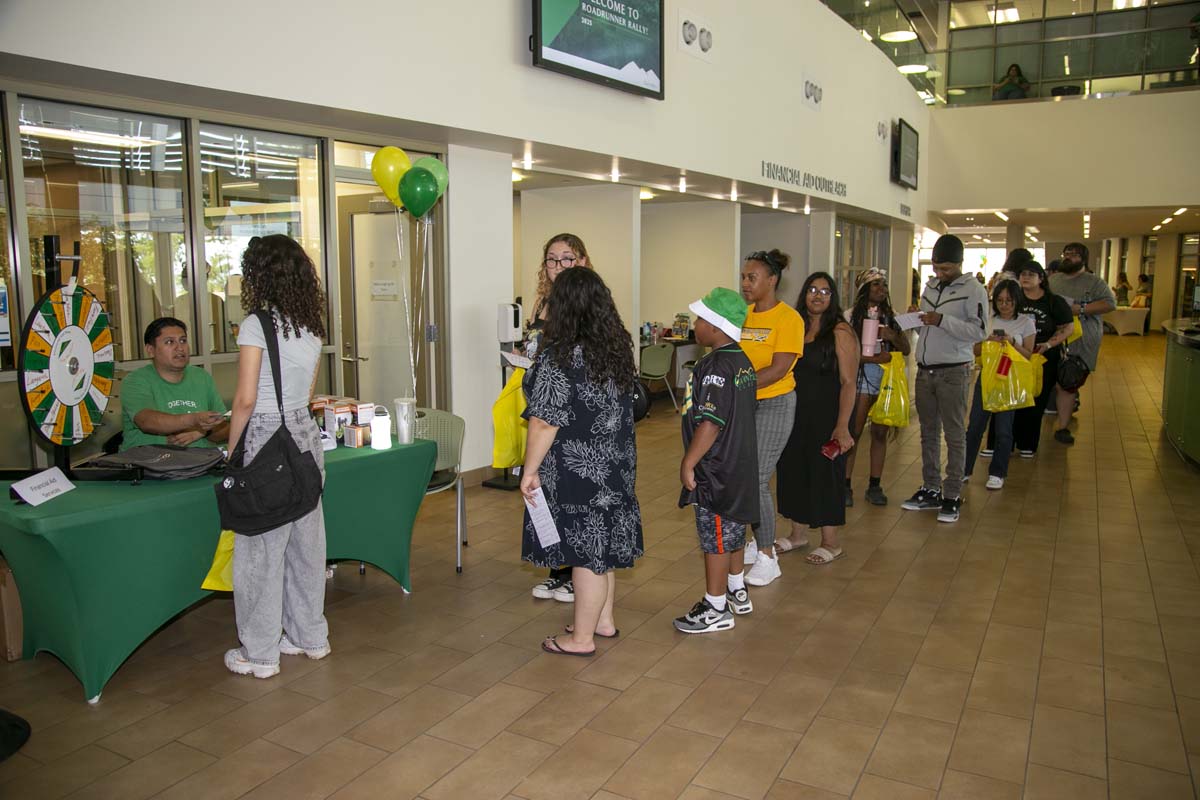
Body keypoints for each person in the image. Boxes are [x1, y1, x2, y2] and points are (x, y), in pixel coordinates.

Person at [520, 267, 643, 657]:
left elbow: (544, 421)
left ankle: (581, 639)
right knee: (601, 547)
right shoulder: (615, 349)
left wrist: (529, 470)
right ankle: (602, 621)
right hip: (615, 466)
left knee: (586, 554)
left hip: (578, 471)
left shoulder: (560, 356)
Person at [223, 235, 330, 679]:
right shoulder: (311, 327)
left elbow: (245, 400)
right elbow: (306, 394)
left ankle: (260, 653)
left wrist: (232, 455)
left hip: (266, 437)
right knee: (307, 545)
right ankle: (310, 637)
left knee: (260, 552)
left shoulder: (256, 325)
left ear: (259, 274)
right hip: (304, 436)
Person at [673, 288, 759, 633]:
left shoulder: (715, 366)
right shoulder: (742, 360)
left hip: (717, 468)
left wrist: (689, 462)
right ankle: (737, 589)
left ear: (716, 326)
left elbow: (711, 422)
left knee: (717, 538)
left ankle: (715, 607)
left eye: (700, 319)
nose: (695, 324)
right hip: (739, 464)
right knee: (733, 530)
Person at [525, 233, 594, 604]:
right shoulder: (542, 302)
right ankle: (558, 569)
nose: (558, 266)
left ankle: (574, 573)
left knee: (571, 496)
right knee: (549, 496)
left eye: (566, 258)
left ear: (581, 261)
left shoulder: (586, 302)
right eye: (551, 259)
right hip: (545, 398)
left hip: (571, 414)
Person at [901, 234, 989, 524]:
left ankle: (952, 494)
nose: (939, 273)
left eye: (945, 269)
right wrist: (917, 320)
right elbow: (929, 330)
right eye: (936, 268)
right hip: (926, 370)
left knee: (953, 433)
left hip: (954, 371)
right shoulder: (930, 286)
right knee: (928, 432)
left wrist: (941, 319)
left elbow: (979, 332)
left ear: (959, 264)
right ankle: (931, 488)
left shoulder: (973, 290)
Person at [776, 272, 857, 564]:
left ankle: (831, 543)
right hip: (794, 413)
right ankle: (798, 534)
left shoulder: (840, 331)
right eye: (812, 289)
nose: (817, 295)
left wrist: (842, 426)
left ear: (832, 297)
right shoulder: (796, 326)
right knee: (794, 470)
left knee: (825, 476)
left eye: (824, 291)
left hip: (828, 416)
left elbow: (849, 382)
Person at [737, 249, 805, 587]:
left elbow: (779, 369)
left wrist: (737, 384)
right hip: (745, 404)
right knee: (744, 475)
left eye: (752, 277)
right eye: (744, 277)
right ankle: (758, 539)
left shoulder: (789, 319)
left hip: (775, 403)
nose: (745, 283)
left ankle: (767, 556)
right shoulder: (744, 315)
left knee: (758, 478)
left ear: (772, 280)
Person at [844, 269, 910, 506]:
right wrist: (873, 359)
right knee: (854, 432)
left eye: (884, 285)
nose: (882, 289)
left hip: (886, 379)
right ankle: (845, 485)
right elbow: (845, 353)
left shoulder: (892, 316)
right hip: (861, 377)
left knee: (880, 433)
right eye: (876, 285)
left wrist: (892, 335)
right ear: (864, 289)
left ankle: (875, 485)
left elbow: (906, 349)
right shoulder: (850, 316)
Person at [964, 280, 1036, 490]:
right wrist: (988, 341)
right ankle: (964, 469)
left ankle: (997, 472)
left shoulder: (1026, 323)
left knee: (1004, 429)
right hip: (987, 377)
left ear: (1016, 301)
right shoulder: (988, 320)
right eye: (1000, 300)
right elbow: (974, 349)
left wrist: (1012, 342)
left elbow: (1029, 355)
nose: (1004, 305)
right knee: (975, 426)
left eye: (1009, 301)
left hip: (1009, 380)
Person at [120, 317, 229, 451]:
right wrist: (194, 420)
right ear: (150, 350)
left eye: (183, 341)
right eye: (169, 342)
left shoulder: (202, 377)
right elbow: (146, 421)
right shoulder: (135, 380)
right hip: (151, 460)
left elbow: (224, 427)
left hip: (202, 459)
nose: (180, 348)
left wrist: (204, 431)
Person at [1048, 242, 1116, 445]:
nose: (1069, 257)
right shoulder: (1053, 280)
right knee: (1051, 380)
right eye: (1066, 253)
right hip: (1053, 337)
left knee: (1067, 382)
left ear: (1083, 259)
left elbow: (1109, 303)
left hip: (1081, 340)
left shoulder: (1094, 282)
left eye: (1074, 254)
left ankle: (1063, 427)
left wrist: (1081, 309)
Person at [1012, 261, 1073, 456]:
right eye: (1022, 274)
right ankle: (1008, 441)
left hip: (1044, 358)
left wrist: (1048, 344)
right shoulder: (1014, 299)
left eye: (1031, 274)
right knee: (1014, 398)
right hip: (1016, 355)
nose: (1025, 277)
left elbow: (1068, 327)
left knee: (1037, 400)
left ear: (1041, 278)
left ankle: (1028, 444)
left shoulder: (1053, 301)